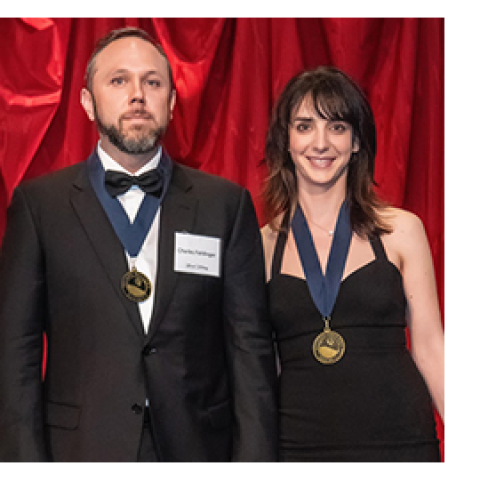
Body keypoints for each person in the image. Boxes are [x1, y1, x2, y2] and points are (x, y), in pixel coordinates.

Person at [0, 27, 278, 462]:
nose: (137, 95)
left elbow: (250, 351)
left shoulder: (226, 205)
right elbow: (15, 353)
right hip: (79, 452)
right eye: (118, 80)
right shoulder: (40, 207)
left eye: (152, 82)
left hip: (199, 452)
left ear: (170, 101)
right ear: (87, 102)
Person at [261, 66, 444, 462]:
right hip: (297, 447)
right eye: (305, 126)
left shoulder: (401, 230)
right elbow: (261, 367)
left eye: (338, 127)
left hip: (400, 443)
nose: (321, 143)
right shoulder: (260, 245)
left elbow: (431, 348)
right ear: (286, 140)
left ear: (357, 141)